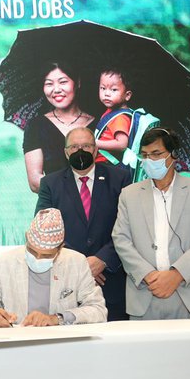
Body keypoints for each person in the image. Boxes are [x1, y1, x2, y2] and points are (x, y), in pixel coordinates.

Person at [112, 127, 190, 319]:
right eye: (144, 155)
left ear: (173, 155)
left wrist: (176, 275)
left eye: (156, 154)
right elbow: (121, 239)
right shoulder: (129, 194)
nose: (149, 160)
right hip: (146, 294)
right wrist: (148, 275)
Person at [36, 127, 132, 321]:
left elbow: (128, 227)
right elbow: (43, 229)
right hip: (67, 283)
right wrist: (82, 265)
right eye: (74, 147)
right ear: (66, 152)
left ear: (96, 150)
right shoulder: (50, 184)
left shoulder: (120, 178)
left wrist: (102, 259)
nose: (80, 151)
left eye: (86, 146)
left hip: (111, 281)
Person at [0, 208, 107, 327]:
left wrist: (56, 319)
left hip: (60, 343)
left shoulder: (76, 263)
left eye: (46, 255)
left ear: (60, 248)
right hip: (16, 342)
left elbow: (98, 310)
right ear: (26, 238)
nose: (38, 258)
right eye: (33, 252)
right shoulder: (1, 263)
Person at [23, 61, 95, 193]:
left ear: (77, 83)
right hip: (54, 207)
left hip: (97, 206)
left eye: (63, 82)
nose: (56, 90)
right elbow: (34, 182)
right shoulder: (36, 125)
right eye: (49, 84)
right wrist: (80, 186)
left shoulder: (99, 124)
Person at [94, 68, 133, 165]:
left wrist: (94, 143)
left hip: (107, 164)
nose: (106, 94)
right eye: (103, 88)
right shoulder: (111, 112)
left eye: (113, 89)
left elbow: (121, 145)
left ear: (127, 95)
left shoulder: (120, 118)